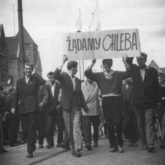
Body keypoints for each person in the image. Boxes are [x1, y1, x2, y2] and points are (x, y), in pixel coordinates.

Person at [85, 58, 127, 153]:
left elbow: (129, 72)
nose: (106, 66)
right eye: (104, 64)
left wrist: (124, 62)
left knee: (118, 122)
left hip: (117, 99)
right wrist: (92, 63)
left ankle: (120, 144)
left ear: (111, 64)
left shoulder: (117, 74)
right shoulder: (100, 75)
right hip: (106, 100)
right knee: (109, 123)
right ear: (103, 65)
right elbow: (87, 73)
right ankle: (113, 144)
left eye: (108, 64)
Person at [123, 53, 159, 153]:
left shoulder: (153, 71)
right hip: (137, 103)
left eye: (142, 59)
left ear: (146, 59)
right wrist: (133, 52)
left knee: (149, 122)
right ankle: (144, 143)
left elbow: (156, 87)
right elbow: (129, 62)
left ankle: (151, 144)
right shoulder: (134, 70)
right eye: (138, 59)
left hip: (149, 102)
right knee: (140, 123)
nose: (140, 61)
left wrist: (156, 101)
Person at [54, 55, 89, 157]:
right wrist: (63, 61)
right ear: (72, 68)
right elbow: (56, 74)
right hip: (66, 107)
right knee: (70, 128)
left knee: (76, 127)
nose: (77, 69)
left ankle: (77, 148)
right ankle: (72, 147)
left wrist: (85, 107)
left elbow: (80, 94)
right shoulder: (64, 76)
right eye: (76, 67)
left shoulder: (77, 80)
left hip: (76, 107)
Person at [11, 63, 45, 158]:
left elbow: (43, 82)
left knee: (31, 130)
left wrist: (35, 73)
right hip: (23, 108)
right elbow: (16, 95)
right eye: (26, 69)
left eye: (30, 69)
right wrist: (13, 106)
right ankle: (32, 144)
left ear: (32, 70)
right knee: (25, 130)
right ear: (24, 70)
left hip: (33, 108)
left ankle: (30, 151)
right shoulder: (19, 81)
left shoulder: (35, 79)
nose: (28, 70)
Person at [81, 77, 101, 150]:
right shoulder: (81, 85)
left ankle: (95, 140)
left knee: (96, 126)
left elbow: (98, 95)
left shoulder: (96, 84)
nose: (89, 78)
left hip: (95, 109)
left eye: (90, 76)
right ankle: (88, 143)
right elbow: (80, 96)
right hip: (85, 109)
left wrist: (85, 100)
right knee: (86, 127)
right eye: (87, 76)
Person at [45, 72, 60, 148]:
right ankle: (50, 143)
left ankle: (60, 142)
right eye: (50, 77)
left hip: (58, 108)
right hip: (50, 110)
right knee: (49, 126)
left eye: (53, 77)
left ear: (55, 78)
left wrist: (59, 105)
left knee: (60, 125)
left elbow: (61, 96)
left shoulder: (59, 86)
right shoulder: (47, 87)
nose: (51, 79)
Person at [37, 84, 48, 148]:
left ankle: (40, 143)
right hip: (32, 109)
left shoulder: (42, 86)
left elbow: (46, 96)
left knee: (41, 127)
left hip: (40, 110)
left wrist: (42, 103)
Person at [157, 72, 165, 148]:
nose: (160, 79)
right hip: (159, 108)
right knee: (160, 123)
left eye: (161, 78)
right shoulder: (157, 87)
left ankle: (162, 142)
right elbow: (157, 98)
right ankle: (161, 136)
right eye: (159, 78)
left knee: (163, 123)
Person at [0, 85, 7, 154]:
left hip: (0, 117)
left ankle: (1, 147)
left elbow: (3, 107)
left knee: (1, 134)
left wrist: (4, 115)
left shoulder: (1, 97)